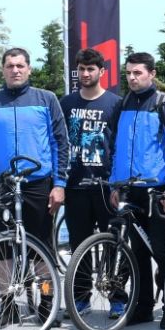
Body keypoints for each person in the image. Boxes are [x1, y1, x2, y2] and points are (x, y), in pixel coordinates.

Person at [0, 46, 68, 247]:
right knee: (4, 249)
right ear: (3, 70)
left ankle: (42, 271)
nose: (15, 70)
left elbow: (60, 143)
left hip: (37, 184)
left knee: (41, 249)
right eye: (10, 66)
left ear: (29, 69)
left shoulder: (47, 99)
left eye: (20, 66)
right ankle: (8, 271)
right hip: (0, 185)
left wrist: (59, 185)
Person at [108, 51, 165, 326]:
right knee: (137, 251)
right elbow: (115, 147)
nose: (132, 78)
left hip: (157, 189)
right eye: (128, 73)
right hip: (129, 189)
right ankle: (143, 306)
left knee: (161, 250)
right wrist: (116, 183)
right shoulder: (122, 105)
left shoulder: (164, 104)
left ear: (152, 74)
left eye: (137, 73)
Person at [61, 48, 122, 249]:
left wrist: (117, 184)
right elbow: (59, 142)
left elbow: (119, 145)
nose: (85, 73)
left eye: (90, 69)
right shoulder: (66, 103)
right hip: (75, 186)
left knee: (113, 247)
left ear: (101, 71)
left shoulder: (116, 104)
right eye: (81, 69)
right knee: (79, 248)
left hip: (106, 186)